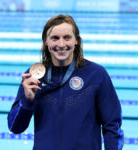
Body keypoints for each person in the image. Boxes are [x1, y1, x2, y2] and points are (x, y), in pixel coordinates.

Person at [7, 14, 124, 150]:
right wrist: (27, 101)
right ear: (46, 41)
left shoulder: (96, 74)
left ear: (76, 41)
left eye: (67, 38)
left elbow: (112, 125)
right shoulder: (34, 77)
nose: (61, 44)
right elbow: (15, 128)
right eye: (55, 38)